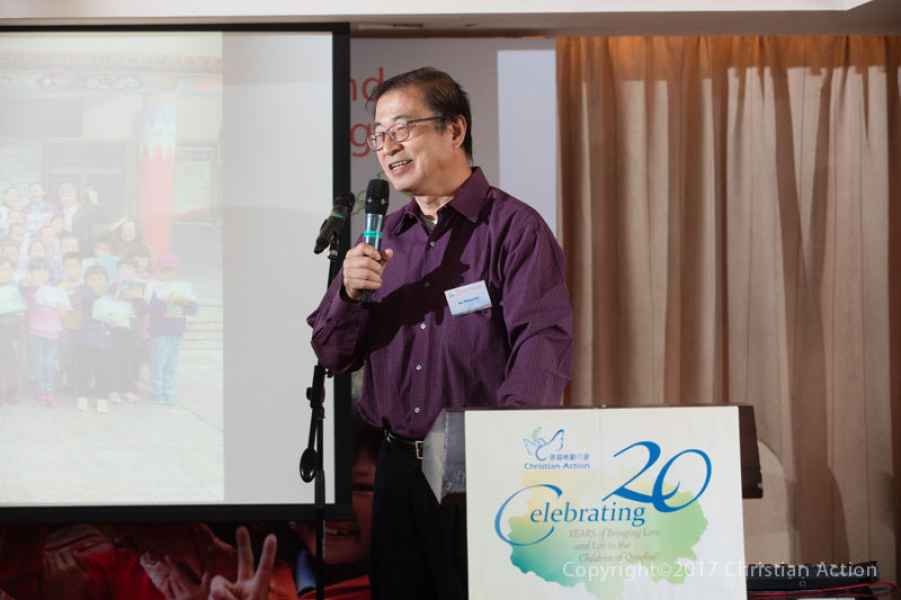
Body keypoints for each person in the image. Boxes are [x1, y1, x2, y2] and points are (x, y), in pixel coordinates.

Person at [307, 67, 573, 600]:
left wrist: (506, 454)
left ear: (454, 130)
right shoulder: (383, 238)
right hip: (396, 472)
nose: (388, 147)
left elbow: (541, 346)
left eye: (402, 129)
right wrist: (348, 295)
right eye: (379, 135)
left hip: (478, 471)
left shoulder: (514, 230)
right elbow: (333, 354)